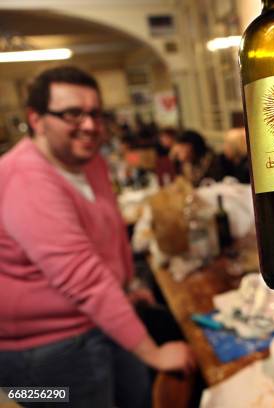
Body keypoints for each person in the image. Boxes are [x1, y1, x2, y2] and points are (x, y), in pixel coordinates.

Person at [0, 66, 195, 408]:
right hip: (47, 351)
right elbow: (82, 277)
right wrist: (156, 355)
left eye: (95, 113)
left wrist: (128, 284)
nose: (89, 126)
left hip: (98, 321)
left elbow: (111, 229)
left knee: (136, 396)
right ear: (36, 119)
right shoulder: (24, 178)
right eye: (72, 114)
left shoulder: (89, 161)